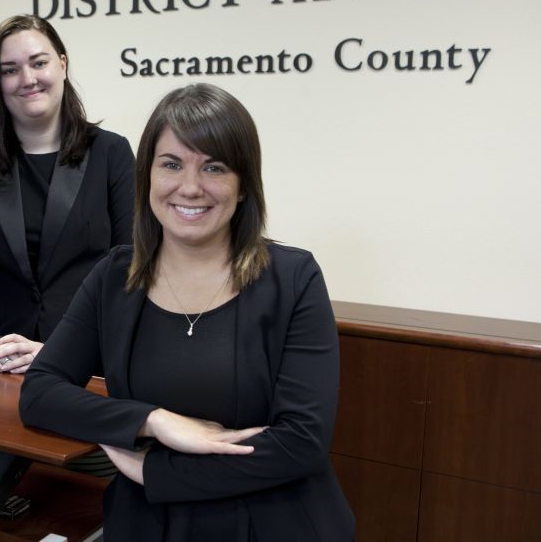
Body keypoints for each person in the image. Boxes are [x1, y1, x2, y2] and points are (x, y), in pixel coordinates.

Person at [20, 83, 355, 541]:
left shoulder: (293, 278)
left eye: (214, 167)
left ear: (242, 187)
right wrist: (153, 420)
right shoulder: (113, 277)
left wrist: (154, 472)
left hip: (272, 521)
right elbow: (39, 392)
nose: (190, 187)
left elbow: (302, 444)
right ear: (148, 178)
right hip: (149, 525)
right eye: (171, 164)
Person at [0, 14, 134, 374]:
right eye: (9, 70)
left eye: (38, 63)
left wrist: (63, 350)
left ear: (62, 64)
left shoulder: (111, 153)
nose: (27, 79)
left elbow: (130, 273)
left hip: (87, 369)